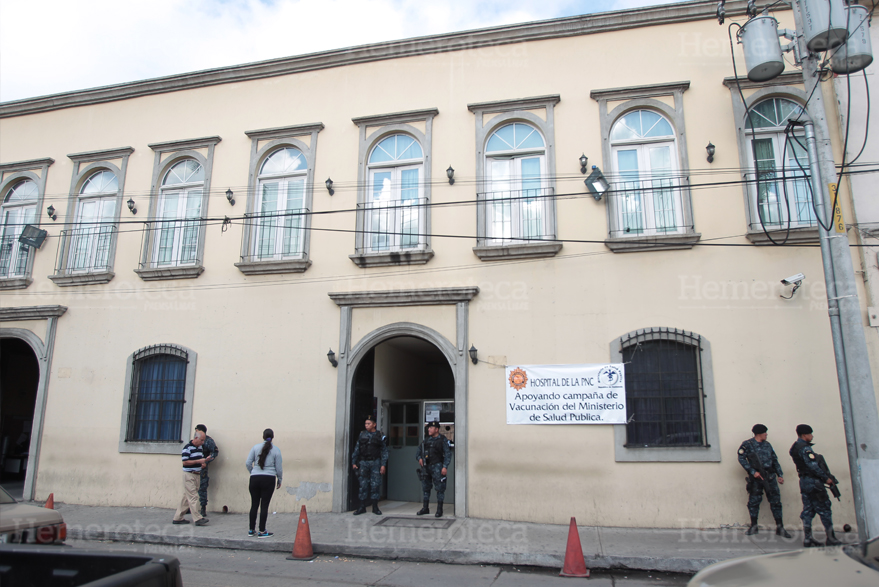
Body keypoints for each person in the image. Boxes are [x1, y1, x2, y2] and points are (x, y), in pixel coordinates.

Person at [789, 424, 842, 547]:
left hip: (804, 481)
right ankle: (831, 538)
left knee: (808, 510)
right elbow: (813, 466)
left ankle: (808, 539)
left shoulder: (795, 447)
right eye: (810, 434)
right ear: (804, 435)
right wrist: (826, 478)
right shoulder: (805, 448)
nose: (812, 436)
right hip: (814, 483)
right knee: (824, 509)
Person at [736, 423, 790, 537]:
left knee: (776, 502)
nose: (766, 434)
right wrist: (752, 472)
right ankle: (754, 526)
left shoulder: (768, 445)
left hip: (770, 477)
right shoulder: (747, 444)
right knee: (753, 502)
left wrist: (779, 474)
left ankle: (780, 527)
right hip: (756, 478)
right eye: (765, 432)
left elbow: (774, 460)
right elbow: (741, 458)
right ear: (759, 433)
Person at [245, 428, 283, 538]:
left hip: (254, 478)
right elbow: (279, 468)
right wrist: (279, 479)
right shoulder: (276, 450)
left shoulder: (255, 448)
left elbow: (248, 463)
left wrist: (253, 472)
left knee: (254, 504)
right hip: (269, 479)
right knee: (264, 505)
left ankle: (251, 530)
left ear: (263, 436)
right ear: (273, 437)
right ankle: (262, 531)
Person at [351, 415, 388, 515]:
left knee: (375, 485)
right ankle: (362, 507)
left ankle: (375, 507)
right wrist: (354, 462)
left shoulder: (379, 435)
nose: (366, 425)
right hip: (363, 462)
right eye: (366, 423)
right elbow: (357, 449)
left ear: (374, 424)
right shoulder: (362, 434)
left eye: (369, 423)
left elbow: (384, 451)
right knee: (363, 485)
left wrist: (383, 465)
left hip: (375, 462)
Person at [171, 430, 210, 526]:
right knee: (193, 497)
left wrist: (203, 463)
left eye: (203, 440)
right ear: (196, 438)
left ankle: (178, 517)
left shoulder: (199, 448)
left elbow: (200, 460)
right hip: (189, 474)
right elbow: (185, 462)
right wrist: (198, 461)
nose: (202, 442)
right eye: (201, 440)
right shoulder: (187, 448)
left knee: (187, 497)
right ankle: (198, 518)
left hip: (197, 474)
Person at [416, 421, 452, 518]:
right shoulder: (426, 440)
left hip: (437, 467)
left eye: (431, 428)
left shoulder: (442, 440)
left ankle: (439, 510)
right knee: (426, 488)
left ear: (436, 429)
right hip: (426, 467)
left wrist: (445, 466)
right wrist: (419, 458)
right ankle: (425, 508)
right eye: (428, 428)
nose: (429, 429)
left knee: (440, 489)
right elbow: (418, 451)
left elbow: (448, 454)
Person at [195, 424, 219, 518]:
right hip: (193, 467)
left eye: (197, 430)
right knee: (191, 488)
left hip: (202, 468)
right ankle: (189, 507)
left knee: (202, 487)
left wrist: (206, 461)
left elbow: (215, 452)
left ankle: (203, 508)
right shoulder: (195, 440)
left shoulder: (208, 441)